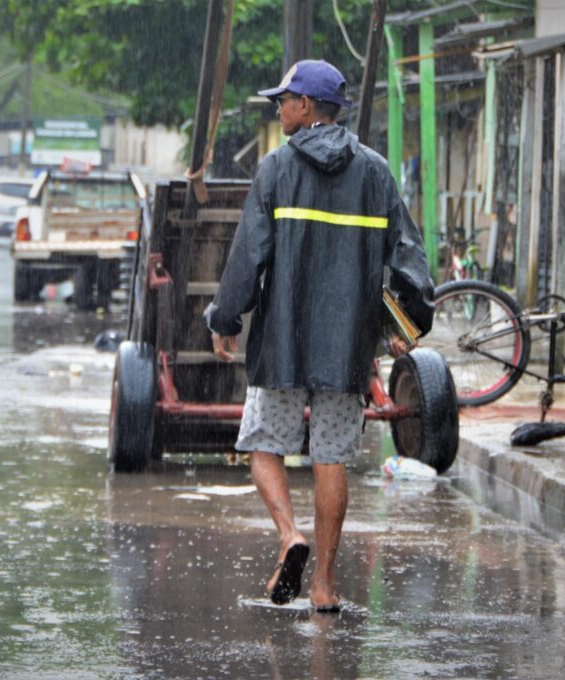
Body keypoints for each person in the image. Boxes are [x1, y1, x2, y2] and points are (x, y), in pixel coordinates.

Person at [203, 60, 434, 611]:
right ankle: (325, 587)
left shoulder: (277, 169)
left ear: (306, 106)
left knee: (263, 443)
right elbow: (409, 255)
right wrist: (410, 320)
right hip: (347, 344)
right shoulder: (375, 173)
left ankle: (290, 536)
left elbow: (248, 258)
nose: (278, 107)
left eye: (283, 99)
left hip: (283, 341)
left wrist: (225, 317)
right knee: (330, 457)